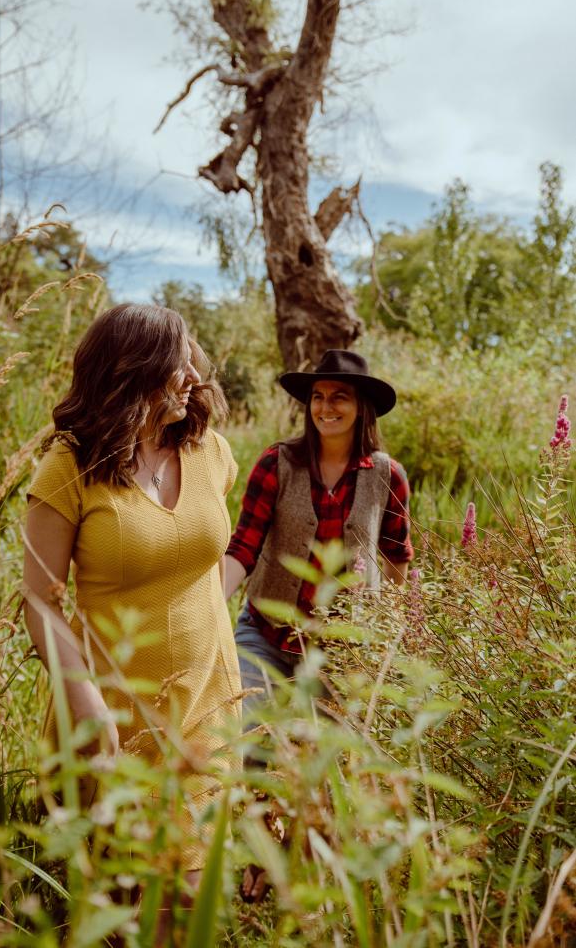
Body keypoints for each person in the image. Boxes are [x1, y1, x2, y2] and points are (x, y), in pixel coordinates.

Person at [21, 303, 242, 937]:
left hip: (207, 706)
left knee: (187, 899)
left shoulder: (211, 453)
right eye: (178, 362)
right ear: (133, 370)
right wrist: (85, 702)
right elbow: (40, 599)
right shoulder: (71, 466)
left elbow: (205, 561)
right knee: (120, 909)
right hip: (117, 716)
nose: (193, 375)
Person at [223, 348, 413, 899]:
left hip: (340, 649)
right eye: (318, 397)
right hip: (266, 630)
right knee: (252, 739)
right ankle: (258, 857)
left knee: (324, 765)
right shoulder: (276, 463)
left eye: (339, 397)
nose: (326, 407)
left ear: (361, 408)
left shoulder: (387, 476)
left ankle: (303, 879)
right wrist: (209, 605)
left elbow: (397, 557)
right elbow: (243, 547)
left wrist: (400, 631)